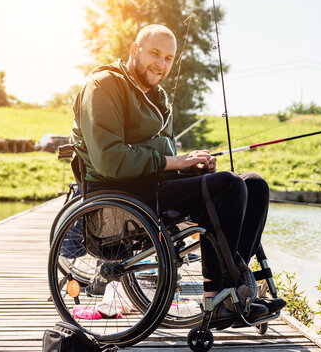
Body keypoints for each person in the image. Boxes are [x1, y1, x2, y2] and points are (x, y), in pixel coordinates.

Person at [71, 24, 285, 325]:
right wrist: (174, 163)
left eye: (169, 58)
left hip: (154, 184)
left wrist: (190, 165)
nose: (161, 64)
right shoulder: (104, 84)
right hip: (119, 192)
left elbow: (167, 155)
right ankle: (219, 297)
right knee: (228, 186)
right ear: (135, 50)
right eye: (155, 54)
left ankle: (232, 290)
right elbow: (110, 159)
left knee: (255, 184)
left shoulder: (157, 97)